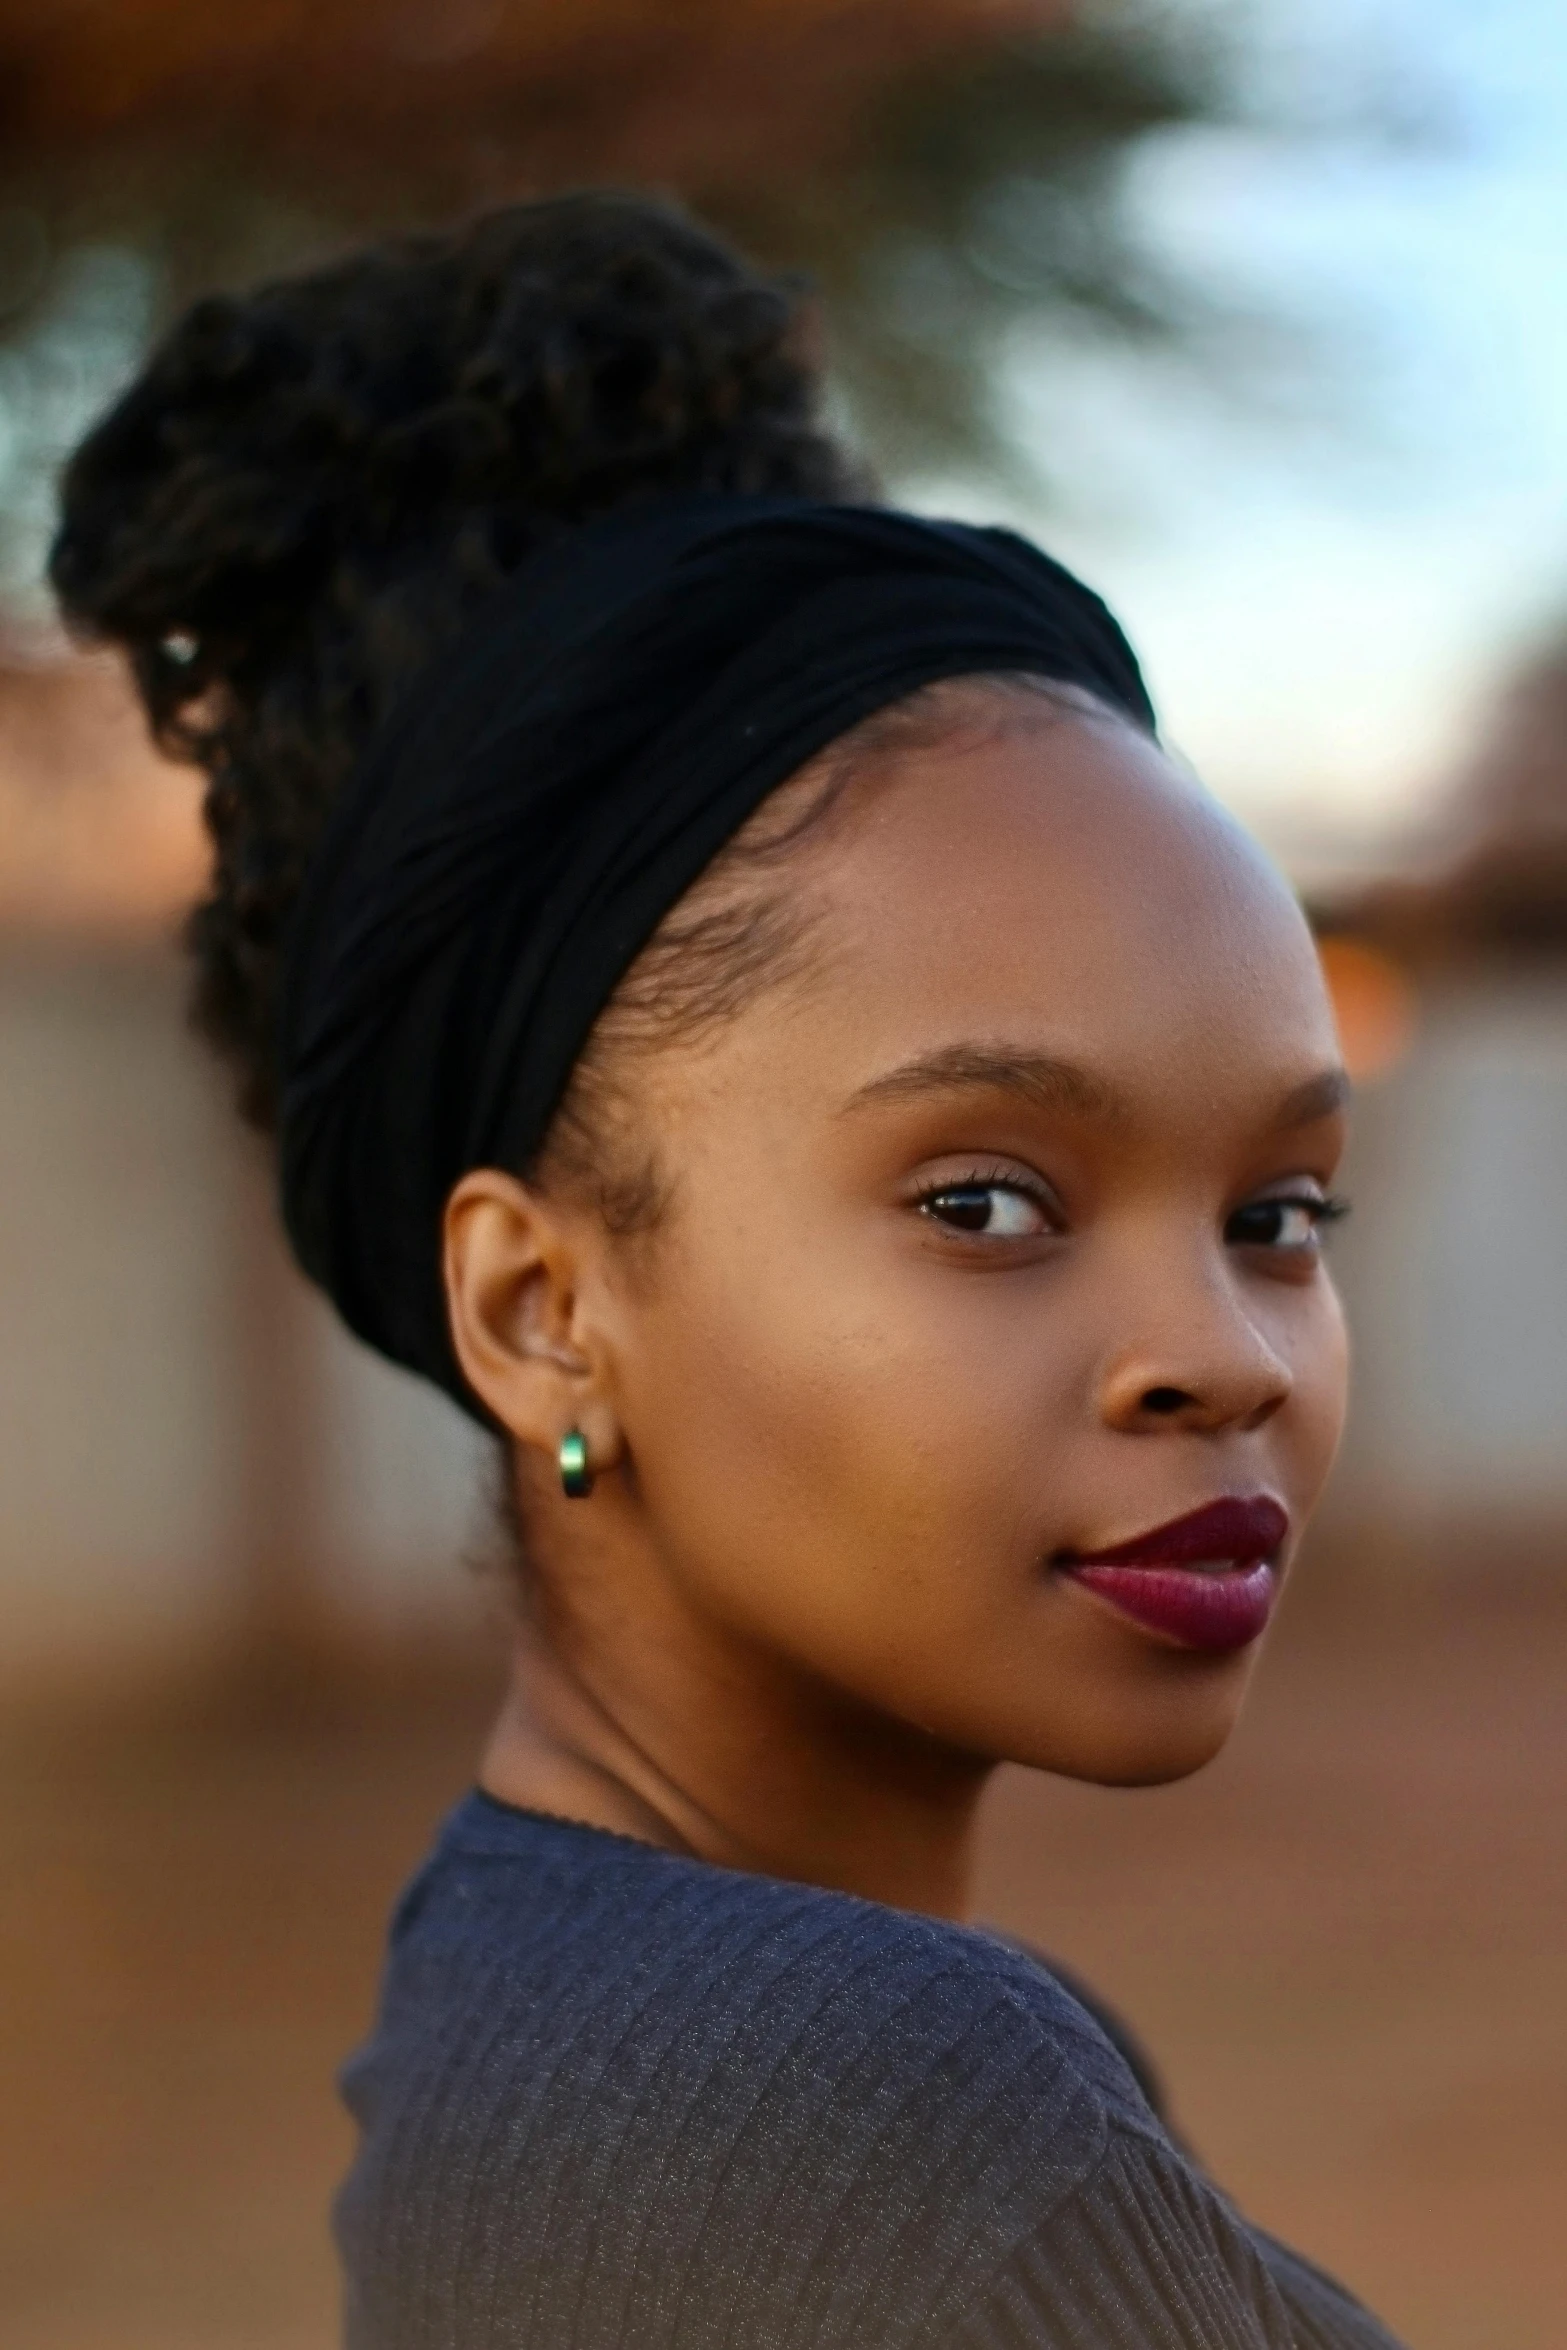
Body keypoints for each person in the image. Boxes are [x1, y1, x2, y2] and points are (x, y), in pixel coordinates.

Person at [51, 193, 1404, 2350]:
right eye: (987, 1200)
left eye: (1280, 1213)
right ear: (537, 1306)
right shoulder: (879, 2123)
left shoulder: (531, 1996)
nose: (1220, 1355)